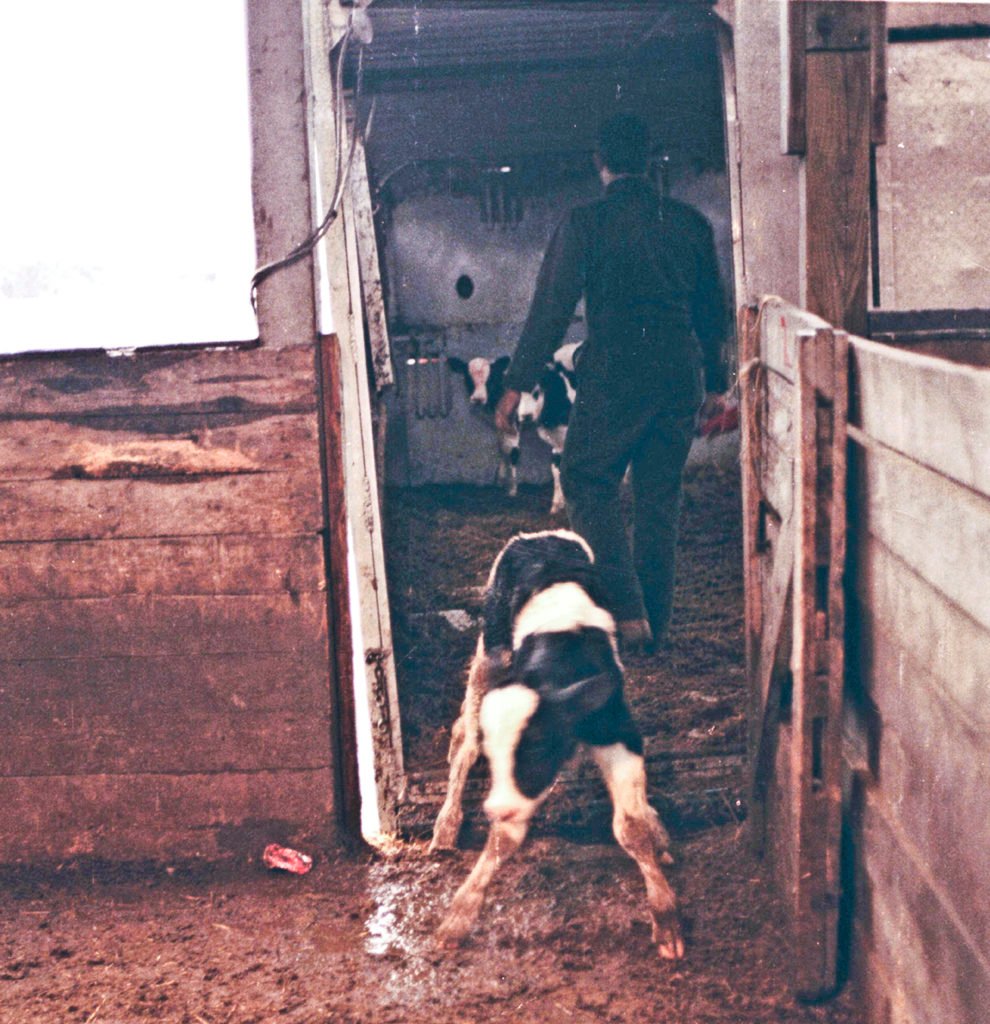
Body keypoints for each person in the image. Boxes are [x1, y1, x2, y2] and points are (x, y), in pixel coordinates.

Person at [495, 113, 728, 652]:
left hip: (617, 375)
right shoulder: (690, 223)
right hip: (678, 377)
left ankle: (625, 610)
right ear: (649, 160)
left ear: (600, 163)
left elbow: (550, 309)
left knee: (584, 480)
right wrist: (716, 382)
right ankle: (655, 627)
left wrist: (516, 382)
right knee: (657, 499)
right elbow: (712, 313)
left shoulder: (586, 223)